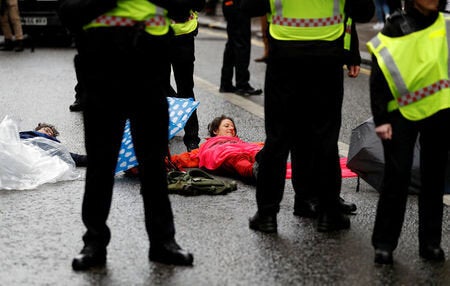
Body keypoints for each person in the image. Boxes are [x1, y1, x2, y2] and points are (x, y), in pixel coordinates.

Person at [69, 0, 194, 271]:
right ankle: (94, 243)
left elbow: (188, 5)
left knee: (153, 164)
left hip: (148, 69)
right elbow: (68, 12)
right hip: (101, 68)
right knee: (101, 164)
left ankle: (163, 242)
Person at [241, 0, 374, 234]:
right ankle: (328, 213)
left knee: (278, 139)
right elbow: (363, 11)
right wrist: (350, 49)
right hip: (326, 59)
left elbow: (248, 6)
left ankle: (267, 215)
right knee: (325, 138)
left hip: (284, 57)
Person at [367, 0, 450, 264]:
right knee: (397, 176)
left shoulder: (445, 24)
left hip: (439, 109)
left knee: (434, 179)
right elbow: (379, 76)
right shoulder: (395, 28)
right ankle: (384, 244)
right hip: (401, 114)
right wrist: (381, 118)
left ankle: (430, 243)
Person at [292, 15, 362, 219]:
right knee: (304, 132)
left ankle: (328, 196)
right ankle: (304, 197)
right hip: (299, 57)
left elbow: (350, 14)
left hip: (331, 59)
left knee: (328, 134)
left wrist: (353, 53)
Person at [167, 3, 204, 151]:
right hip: (158, 34)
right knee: (159, 87)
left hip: (183, 35)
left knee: (186, 88)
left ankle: (192, 138)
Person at [219, 0, 262, 96]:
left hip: (230, 5)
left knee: (232, 44)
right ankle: (242, 84)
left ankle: (226, 83)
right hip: (239, 7)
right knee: (242, 45)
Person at [19, 122, 87, 167]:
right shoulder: (26, 134)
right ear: (37, 130)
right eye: (46, 130)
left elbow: (69, 156)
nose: (48, 134)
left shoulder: (51, 146)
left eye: (51, 135)